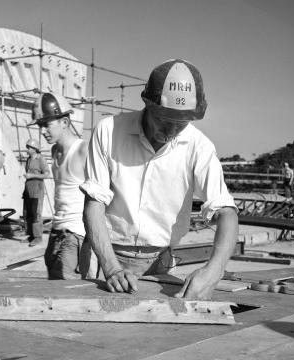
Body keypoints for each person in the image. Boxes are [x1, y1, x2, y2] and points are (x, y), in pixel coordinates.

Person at [80, 59, 238, 300]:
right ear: (148, 104)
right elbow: (94, 204)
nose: (172, 130)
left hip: (160, 259)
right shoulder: (109, 131)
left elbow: (226, 211)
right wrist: (112, 268)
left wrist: (214, 269)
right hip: (105, 256)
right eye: (164, 120)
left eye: (181, 123)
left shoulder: (199, 146)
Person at [31, 92, 95, 279]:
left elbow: (106, 192)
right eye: (40, 125)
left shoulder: (84, 150)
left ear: (65, 122)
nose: (42, 131)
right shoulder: (54, 151)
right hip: (56, 231)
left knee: (68, 292)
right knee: (54, 285)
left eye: (47, 124)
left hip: (75, 234)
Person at [23, 138, 50, 247]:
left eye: (29, 147)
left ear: (35, 149)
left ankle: (38, 237)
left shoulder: (41, 160)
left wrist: (33, 175)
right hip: (28, 189)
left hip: (37, 190)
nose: (27, 149)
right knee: (28, 213)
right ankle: (31, 235)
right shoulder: (28, 159)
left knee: (36, 214)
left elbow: (47, 174)